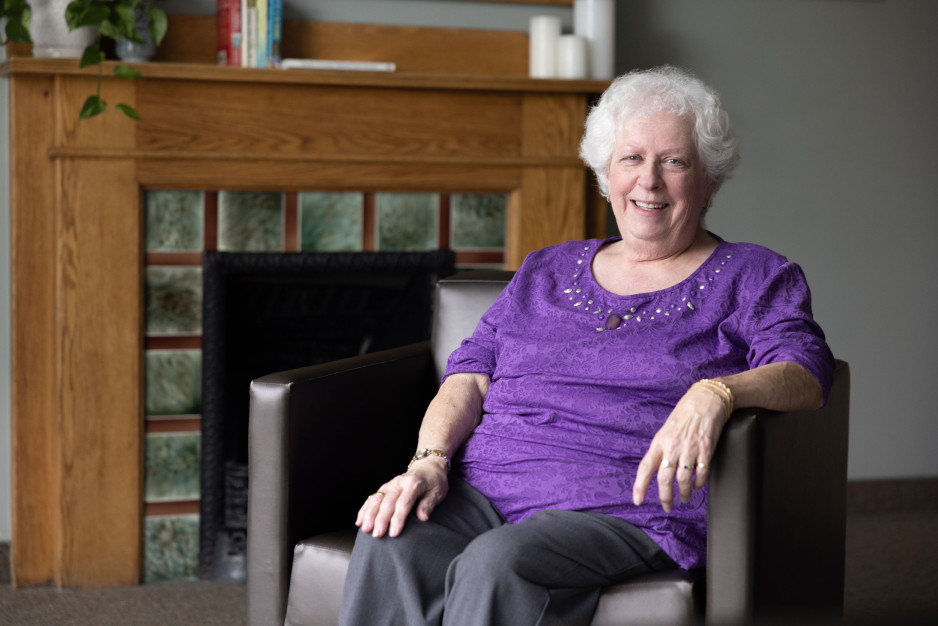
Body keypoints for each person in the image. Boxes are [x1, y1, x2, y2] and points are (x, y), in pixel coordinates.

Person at [338, 65, 835, 626]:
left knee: (499, 562)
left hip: (623, 508)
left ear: (709, 181)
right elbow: (470, 375)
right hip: (486, 490)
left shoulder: (752, 275)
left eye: (674, 161)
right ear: (606, 173)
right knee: (390, 535)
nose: (649, 181)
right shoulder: (545, 270)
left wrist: (716, 392)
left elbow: (807, 371)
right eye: (631, 159)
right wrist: (428, 464)